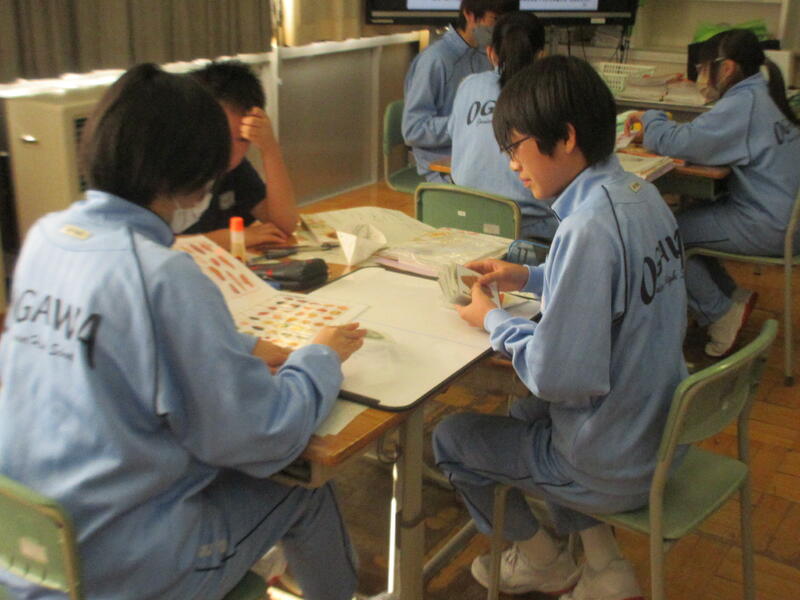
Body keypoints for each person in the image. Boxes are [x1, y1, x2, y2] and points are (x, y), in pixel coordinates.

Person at [0, 64, 366, 600]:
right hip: (121, 566)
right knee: (303, 488)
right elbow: (261, 435)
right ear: (195, 174)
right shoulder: (162, 274)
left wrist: (243, 347)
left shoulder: (47, 237)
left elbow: (120, 343)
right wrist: (319, 359)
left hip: (28, 545)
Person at [433, 56, 688, 600]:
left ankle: (542, 561)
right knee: (526, 416)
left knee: (450, 438)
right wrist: (530, 275)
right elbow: (615, 287)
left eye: (515, 148)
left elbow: (555, 376)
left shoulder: (586, 227)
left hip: (612, 459)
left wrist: (492, 319)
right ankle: (604, 565)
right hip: (660, 433)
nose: (511, 165)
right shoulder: (640, 196)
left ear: (566, 137)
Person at [625, 29, 800, 357]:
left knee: (663, 234)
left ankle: (720, 313)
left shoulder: (744, 104)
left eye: (703, 69)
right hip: (785, 218)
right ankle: (730, 296)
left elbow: (682, 143)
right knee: (685, 221)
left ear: (728, 67)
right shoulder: (764, 92)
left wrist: (651, 118)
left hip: (768, 225)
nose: (701, 78)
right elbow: (703, 137)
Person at [448, 11, 557, 240]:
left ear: (491, 53)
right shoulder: (549, 93)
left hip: (461, 222)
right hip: (527, 233)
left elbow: (453, 135)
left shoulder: (469, 85)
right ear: (541, 55)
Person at [180, 60, 298, 250]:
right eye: (219, 136)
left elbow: (283, 225)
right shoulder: (164, 170)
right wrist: (228, 238)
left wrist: (270, 150)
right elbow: (147, 246)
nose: (228, 150)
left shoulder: (236, 170)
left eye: (242, 140)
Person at [402, 0, 516, 182]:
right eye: (495, 19)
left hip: (478, 158)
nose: (500, 28)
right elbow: (414, 130)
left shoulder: (487, 54)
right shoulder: (435, 60)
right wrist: (465, 124)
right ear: (469, 15)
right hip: (442, 168)